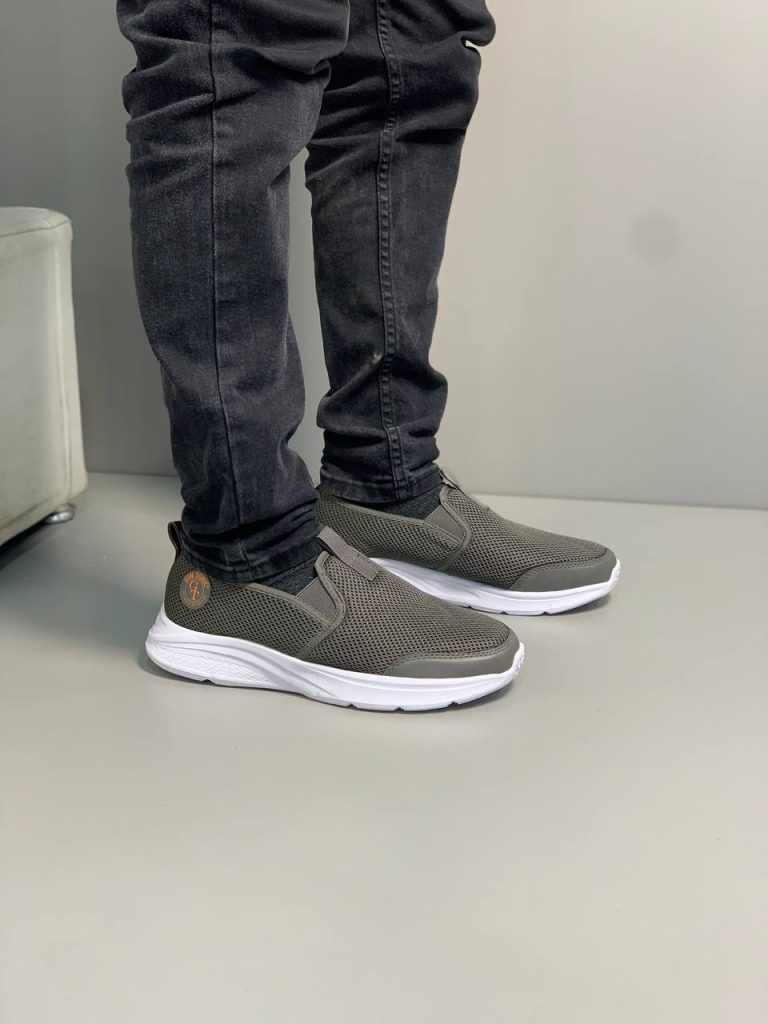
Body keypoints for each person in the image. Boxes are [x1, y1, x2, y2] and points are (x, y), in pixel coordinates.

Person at [117, 0, 619, 711]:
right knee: (236, 36)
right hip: (242, 550)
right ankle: (244, 554)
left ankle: (383, 479)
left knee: (412, 48)